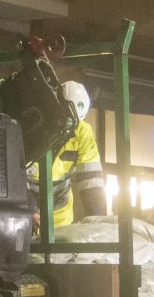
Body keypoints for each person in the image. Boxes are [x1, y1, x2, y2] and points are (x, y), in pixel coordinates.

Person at [31, 80, 107, 228]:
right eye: (68, 120)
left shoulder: (82, 131)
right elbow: (15, 175)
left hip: (61, 218)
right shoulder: (34, 128)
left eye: (75, 122)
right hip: (26, 214)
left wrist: (99, 224)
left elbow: (92, 181)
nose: (71, 128)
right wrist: (27, 211)